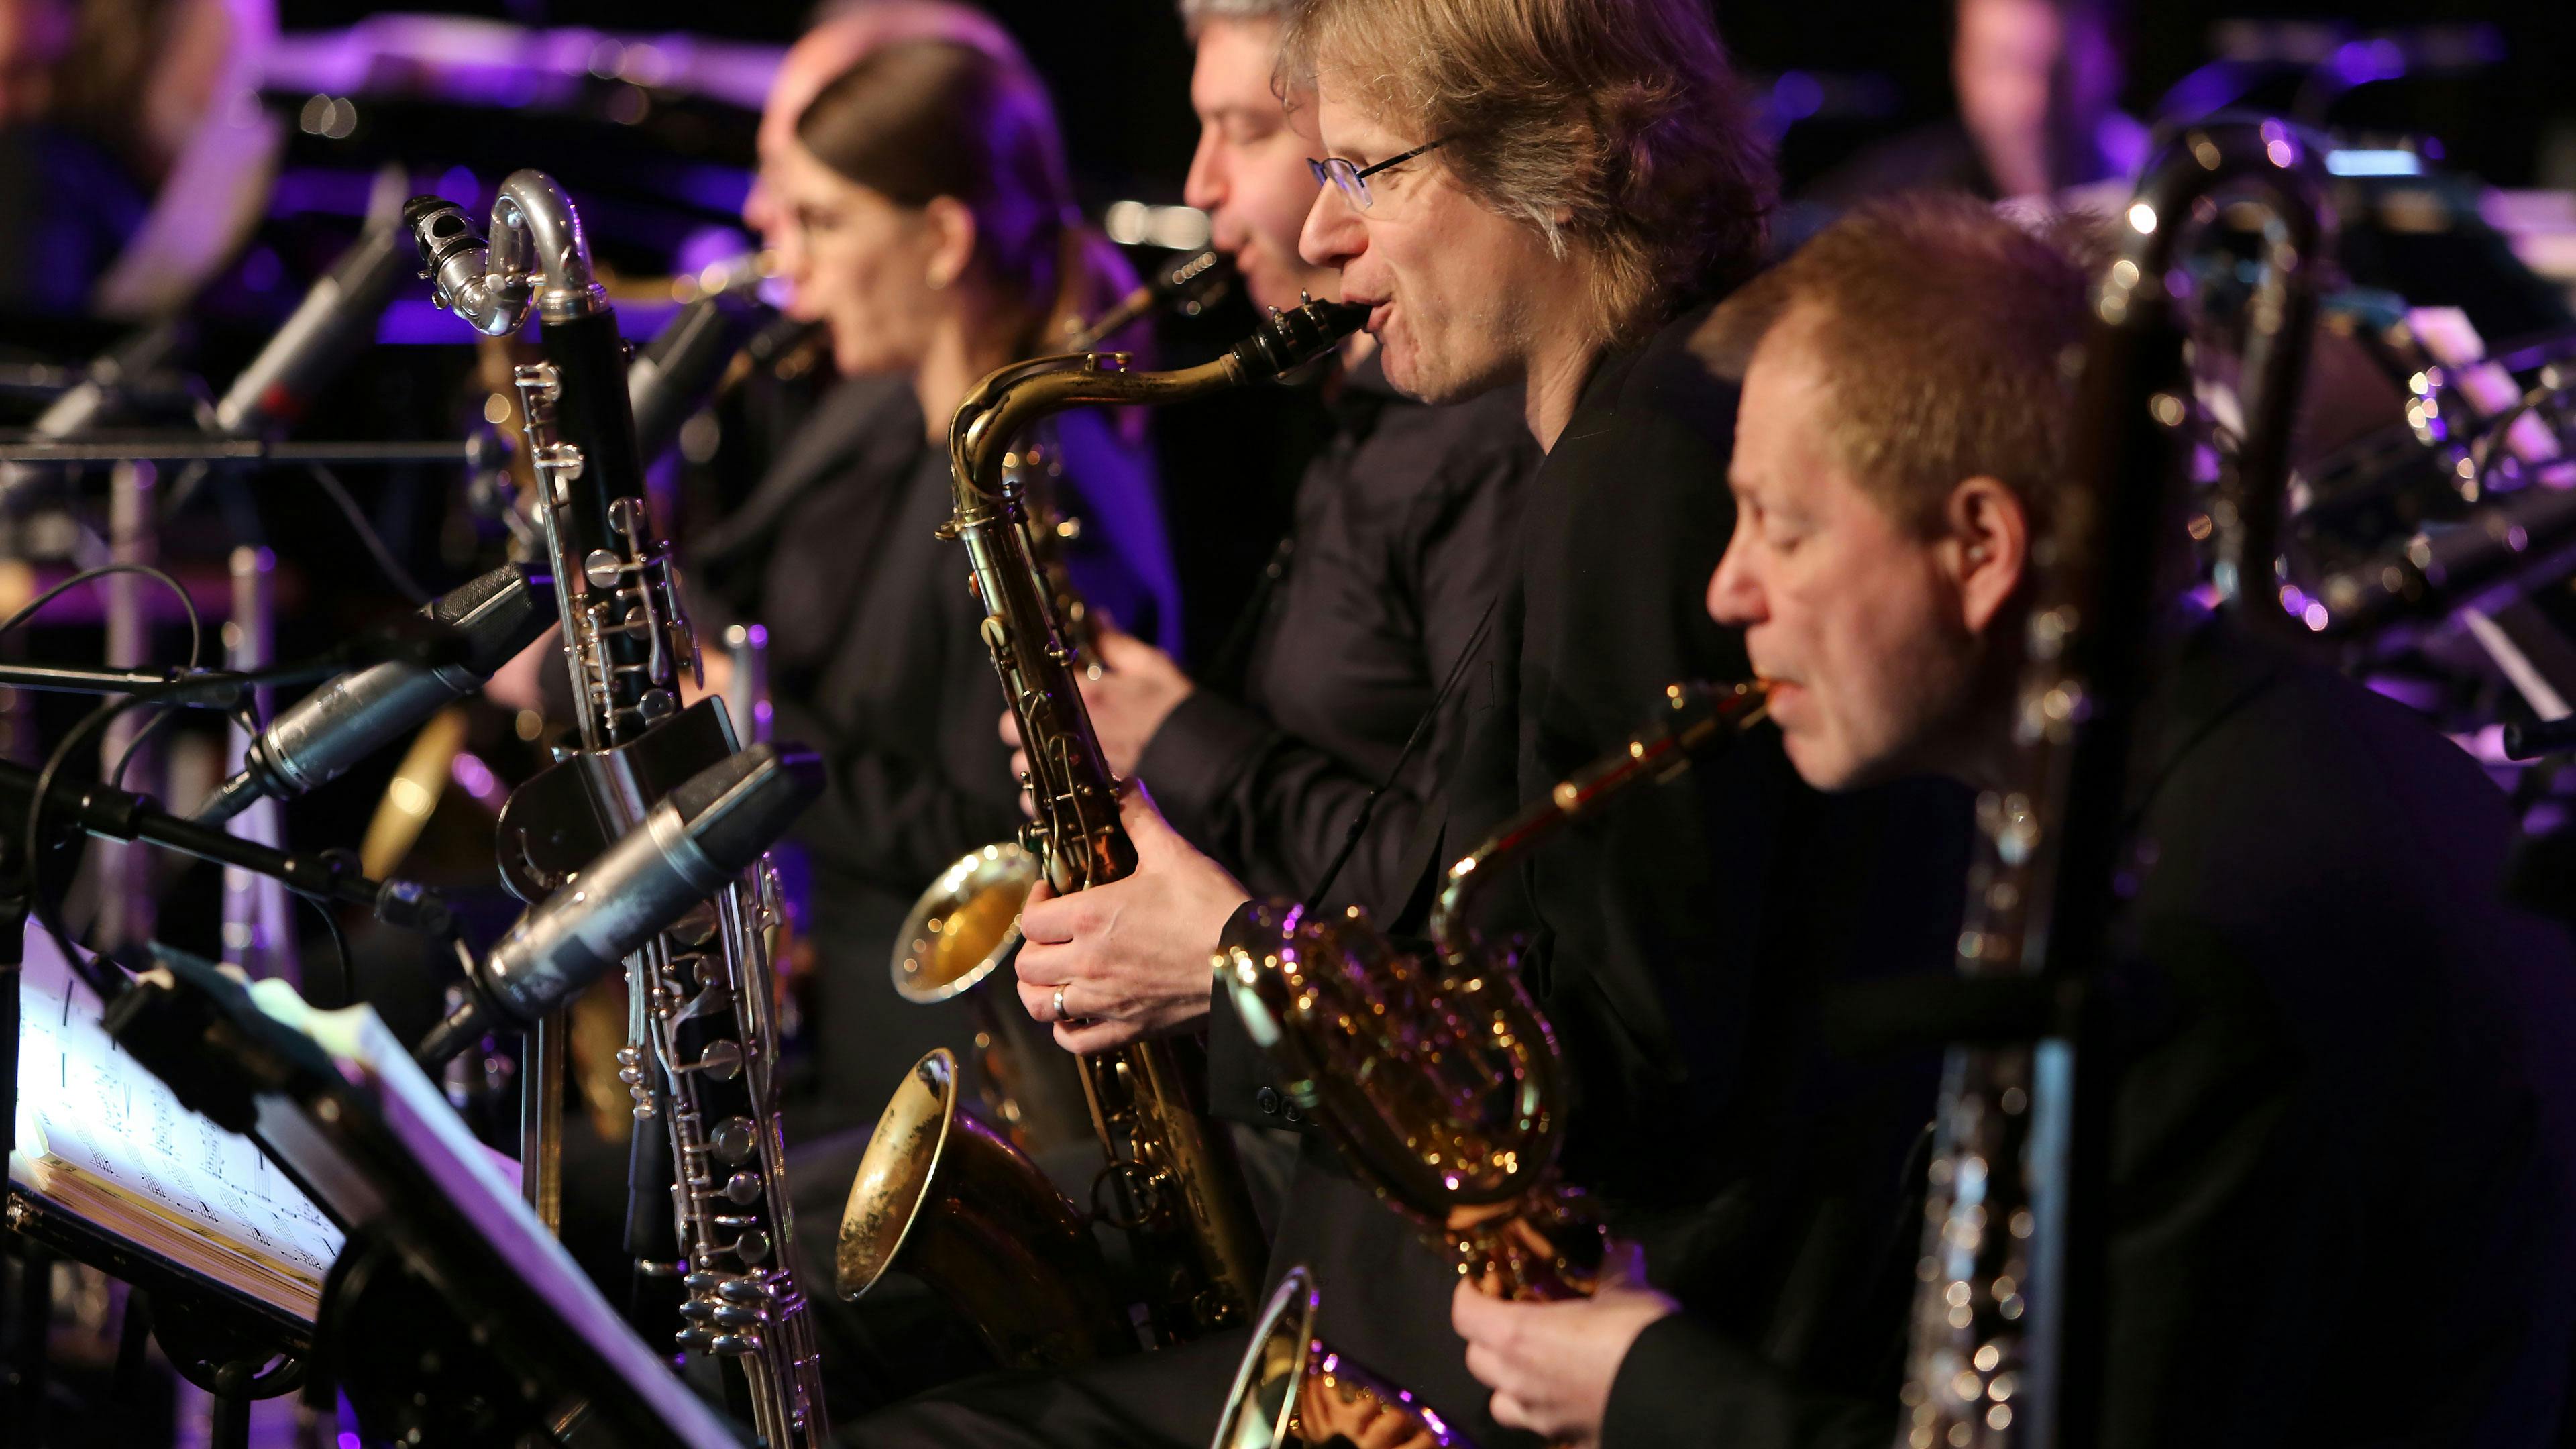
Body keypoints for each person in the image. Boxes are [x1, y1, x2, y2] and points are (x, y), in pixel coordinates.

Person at [861, 0, 1962, 1443]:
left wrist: (1232, 960)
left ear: (1561, 161)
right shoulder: (1615, 451)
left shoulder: (1649, 476)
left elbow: (1618, 1073)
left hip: (1507, 1368)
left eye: (1365, 170)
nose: (1323, 234)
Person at [1446, 193, 2576, 1448]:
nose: (1730, 587)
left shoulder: (2190, 928)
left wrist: (1647, 1388)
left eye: (1785, 525)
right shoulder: (2236, 752)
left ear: (1982, 545)